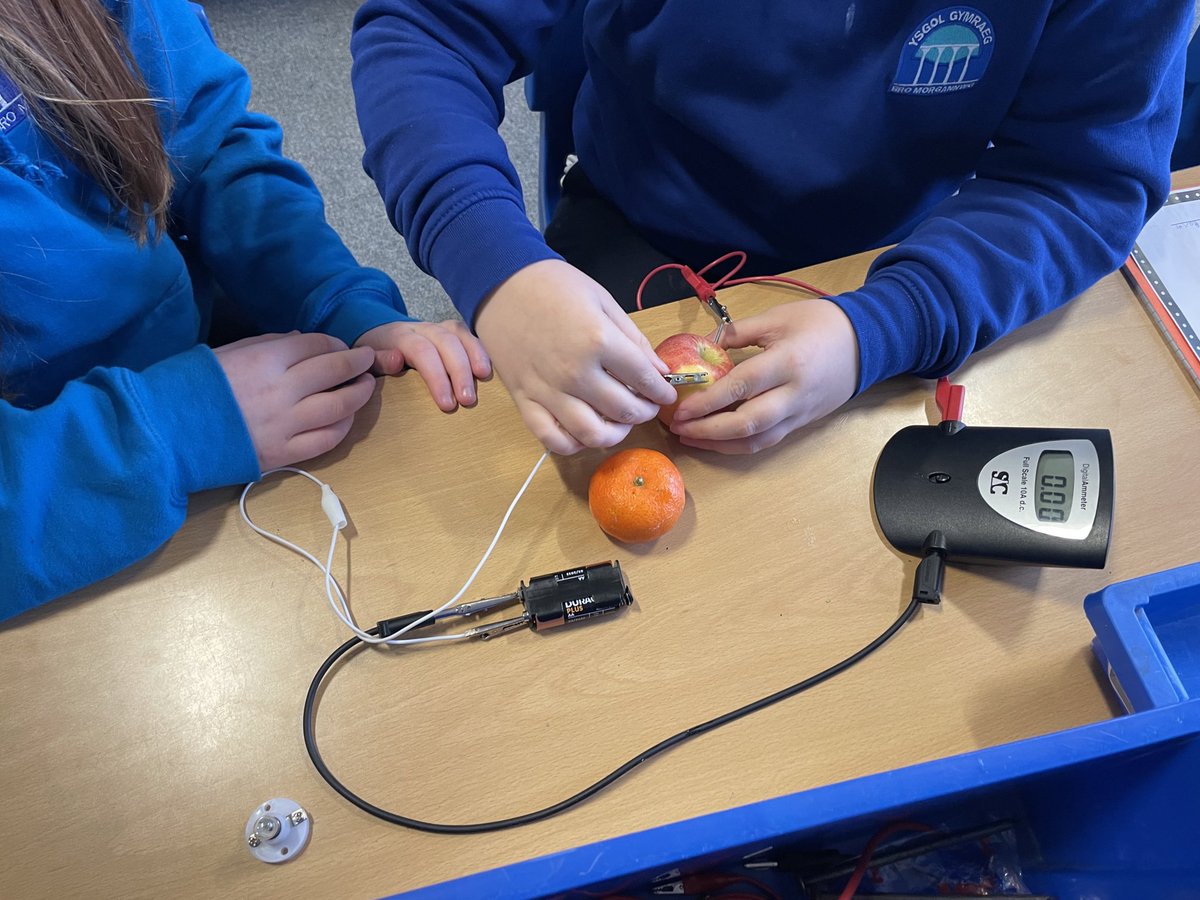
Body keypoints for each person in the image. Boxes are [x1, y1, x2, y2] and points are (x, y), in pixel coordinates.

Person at [350, 2, 1192, 456]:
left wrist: (887, 324)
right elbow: (426, 30)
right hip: (635, 231)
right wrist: (498, 268)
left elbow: (1078, 176)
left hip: (899, 268)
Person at [0, 0, 491, 620]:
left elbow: (211, 151)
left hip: (211, 375)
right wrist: (179, 427)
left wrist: (338, 301)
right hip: (65, 510)